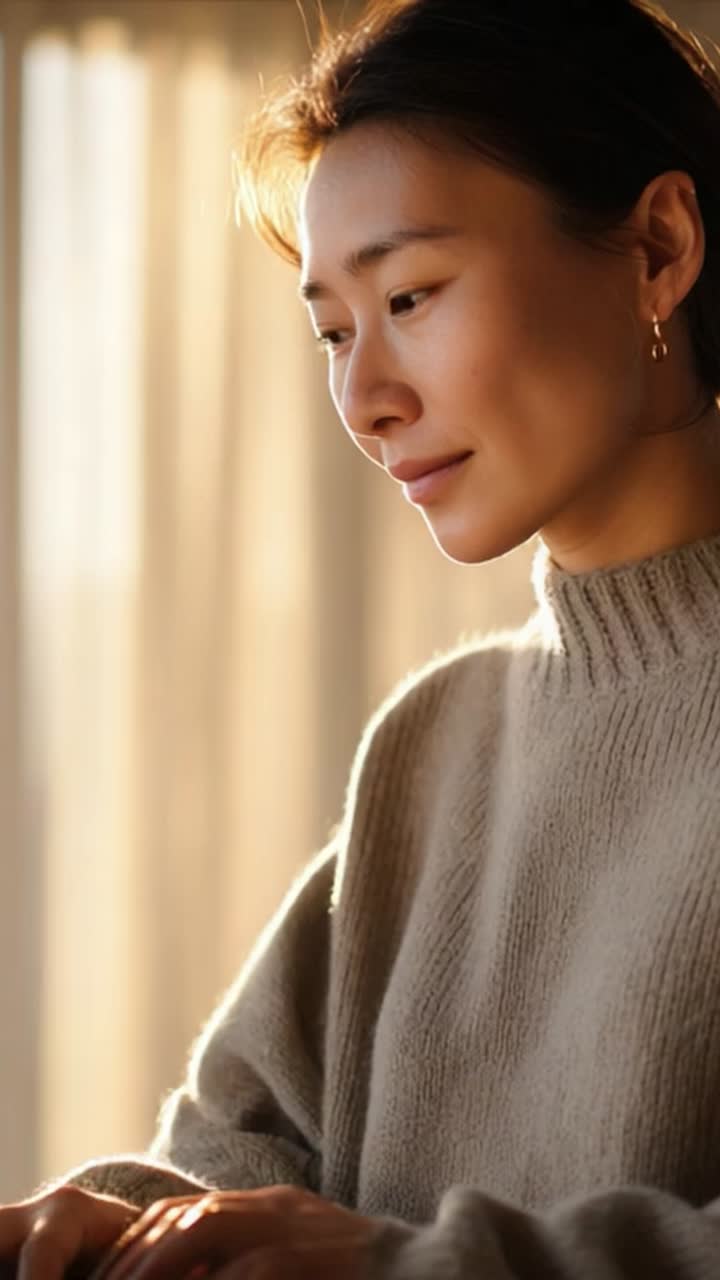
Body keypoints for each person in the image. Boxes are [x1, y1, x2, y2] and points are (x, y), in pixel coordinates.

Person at [5, 0, 720, 1275]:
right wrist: (107, 1222)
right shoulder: (432, 745)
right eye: (334, 329)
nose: (365, 398)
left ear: (659, 247)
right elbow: (240, 1155)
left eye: (412, 293)